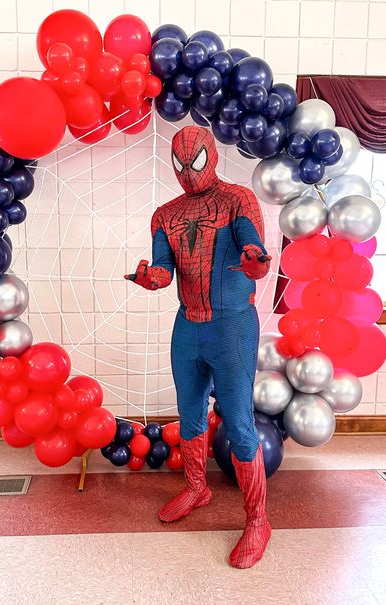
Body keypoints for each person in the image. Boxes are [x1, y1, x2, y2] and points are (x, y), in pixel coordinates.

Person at [125, 125, 272, 569]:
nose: (188, 173)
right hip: (187, 326)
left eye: (197, 162)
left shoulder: (237, 200)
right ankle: (196, 487)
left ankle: (259, 520)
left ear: (212, 155)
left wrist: (255, 261)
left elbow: (254, 250)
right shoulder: (163, 214)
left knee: (240, 423)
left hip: (232, 327)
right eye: (180, 165)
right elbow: (165, 270)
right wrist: (150, 277)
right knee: (188, 412)